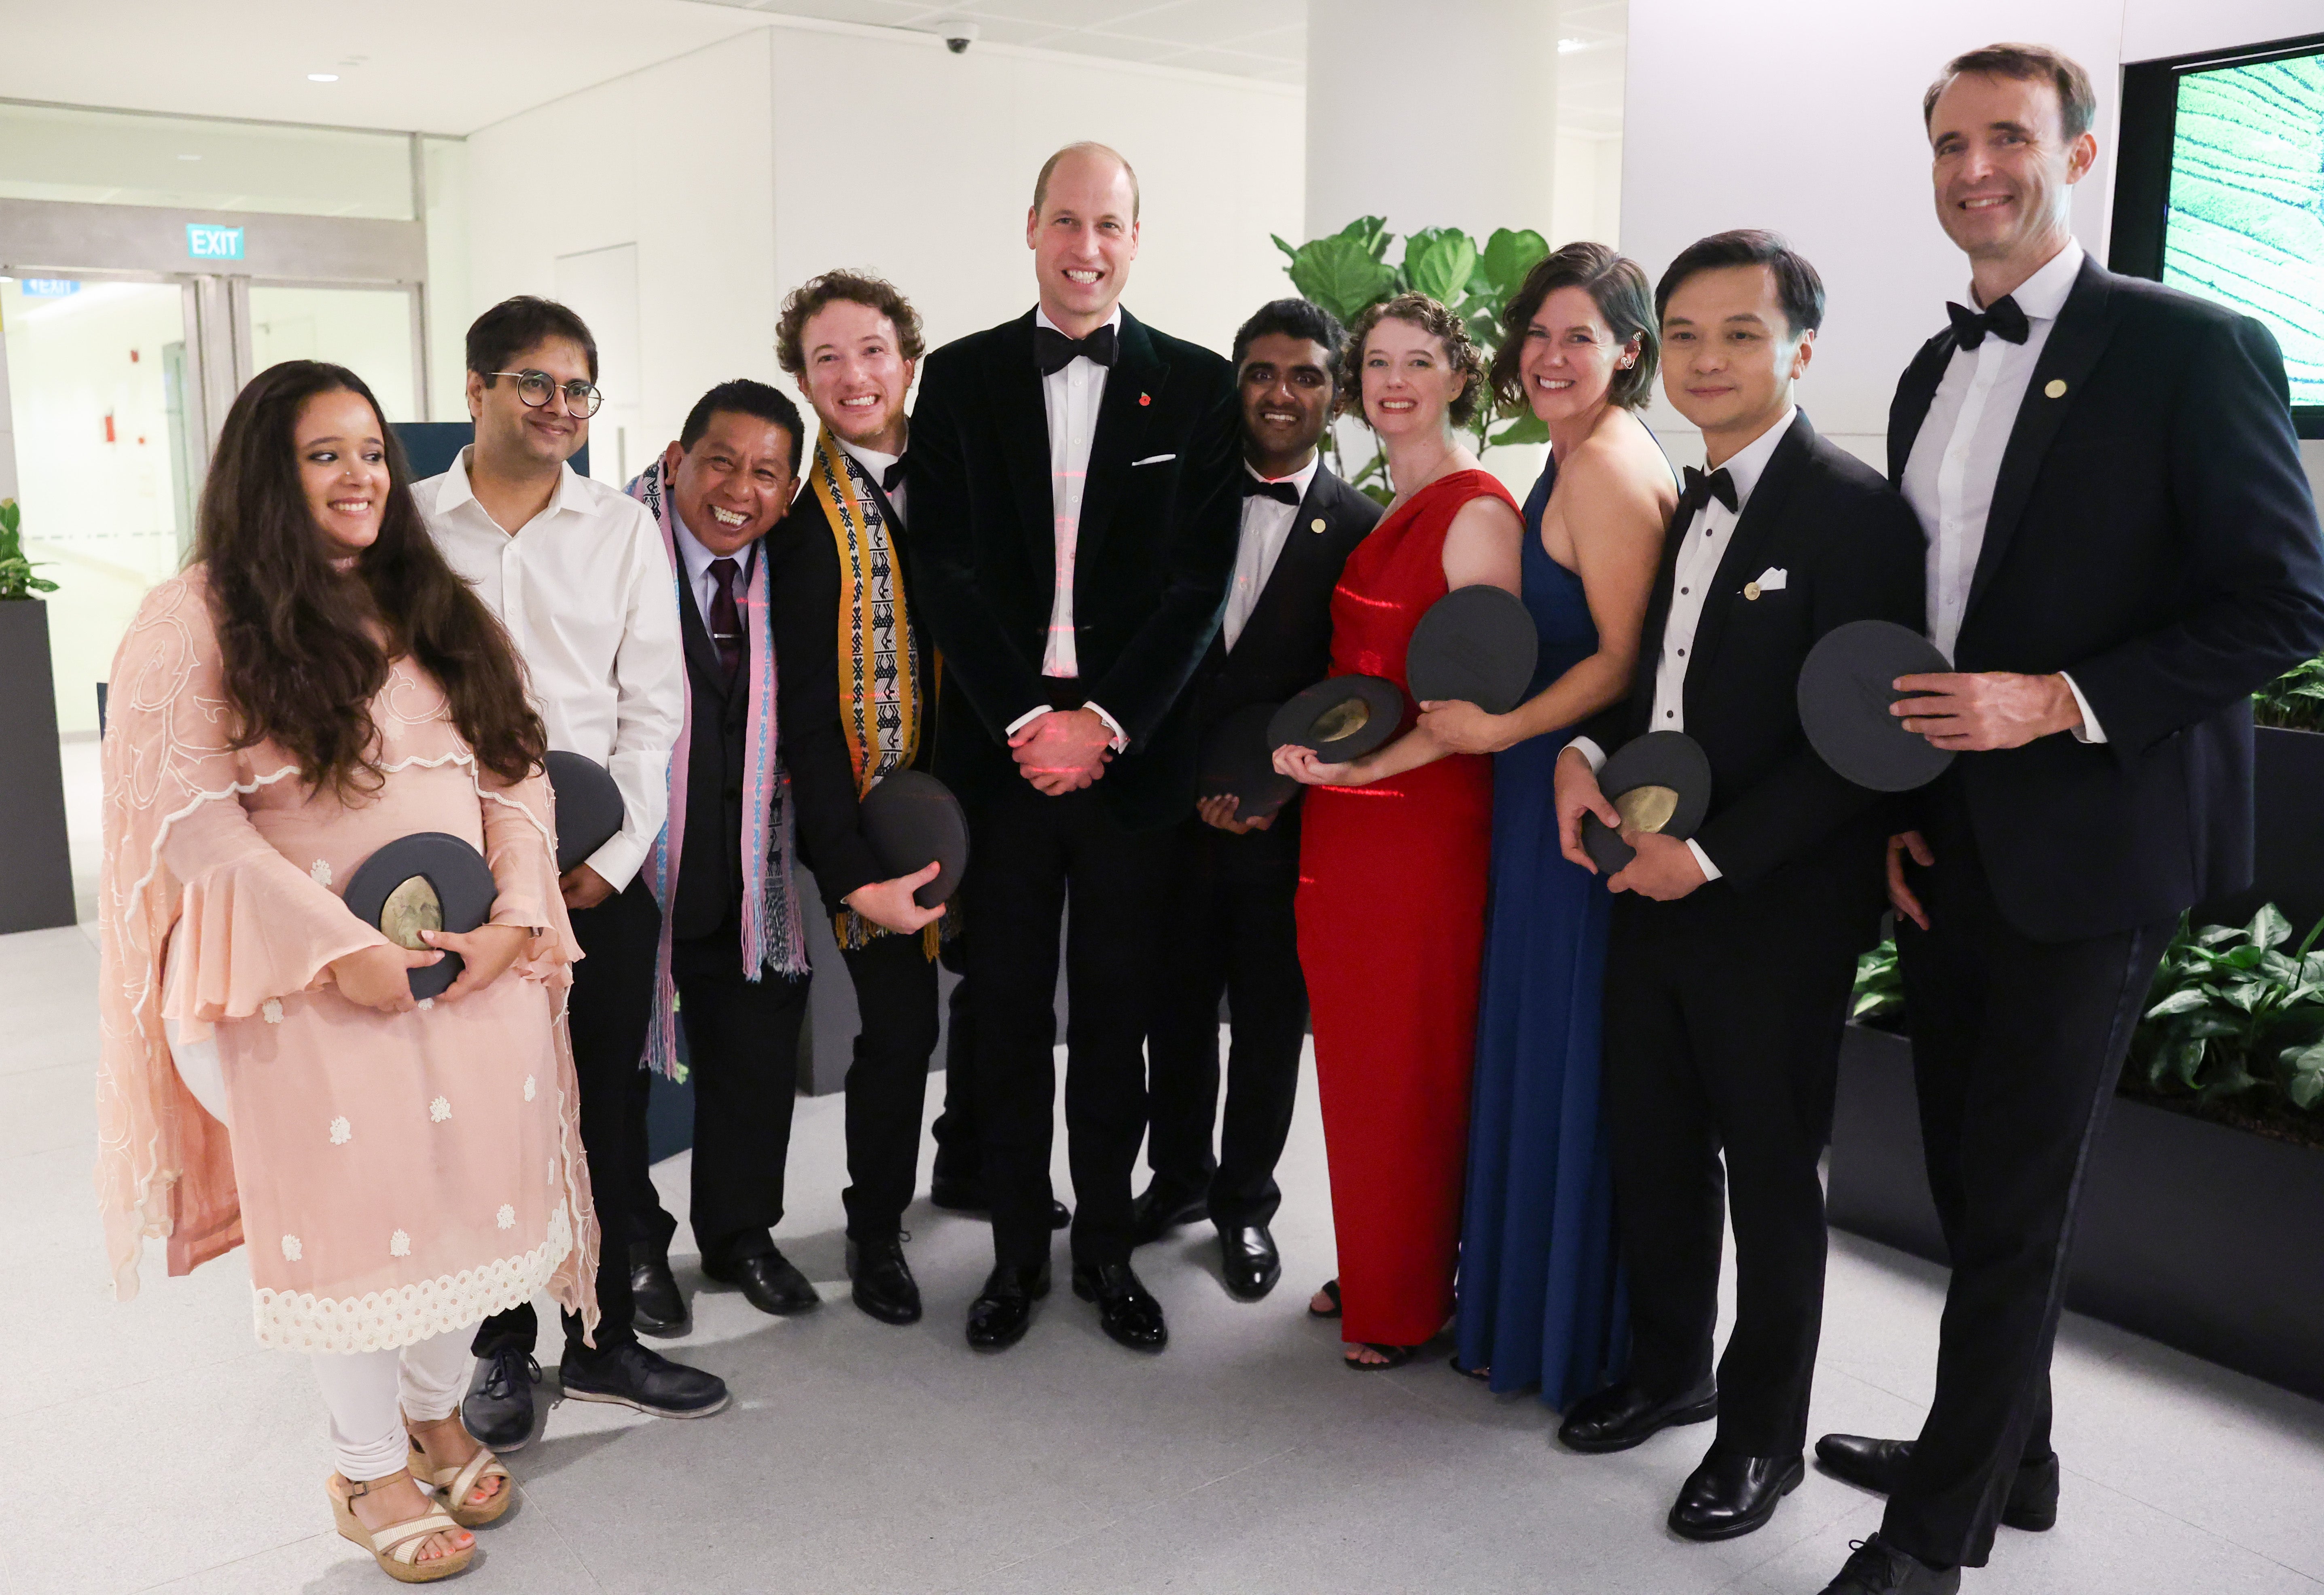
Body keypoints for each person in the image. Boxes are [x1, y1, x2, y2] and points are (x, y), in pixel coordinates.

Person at [1811, 47, 2324, 1595]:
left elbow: (2279, 600)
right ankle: (2010, 1455)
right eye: (1950, 143)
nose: (1976, 167)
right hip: (1951, 839)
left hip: (2096, 847)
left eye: (2009, 138)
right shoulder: (1923, 368)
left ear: (2078, 155)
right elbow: (1925, 614)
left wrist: (2059, 699)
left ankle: (1928, 1541)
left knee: (2019, 1198)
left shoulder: (2194, 345)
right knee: (1970, 1180)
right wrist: (1900, 807)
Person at [95, 360, 595, 1582]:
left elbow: (514, 773)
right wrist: (343, 950)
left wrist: (519, 922)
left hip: (467, 969)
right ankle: (364, 1467)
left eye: (370, 451)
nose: (361, 475)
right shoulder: (195, 614)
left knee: (476, 1202)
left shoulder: (433, 598)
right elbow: (194, 822)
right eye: (326, 454)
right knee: (370, 1223)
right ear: (269, 473)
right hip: (294, 981)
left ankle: (434, 1419)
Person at [1548, 232, 1925, 1545]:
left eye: (1741, 335)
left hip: (1770, 906)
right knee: (1650, 1145)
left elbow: (1866, 745)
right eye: (1688, 335)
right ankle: (1669, 1370)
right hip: (1644, 880)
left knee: (1769, 1178)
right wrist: (1583, 757)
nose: (1708, 360)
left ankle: (1761, 1441)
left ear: (1801, 350)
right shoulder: (1689, 489)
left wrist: (1704, 855)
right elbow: (1661, 678)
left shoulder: (1857, 513)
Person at [910, 142, 1241, 1354]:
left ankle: (1103, 1248)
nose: (1085, 246)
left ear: (1136, 239)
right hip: (1001, 753)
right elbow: (941, 567)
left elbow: (1197, 586)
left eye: (1108, 224)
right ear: (1032, 227)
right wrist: (1025, 722)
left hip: (1127, 756)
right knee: (1000, 1016)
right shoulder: (959, 378)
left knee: (1114, 1015)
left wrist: (1100, 725)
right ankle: (1010, 1257)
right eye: (1065, 220)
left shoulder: (1195, 388)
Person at [416, 296, 728, 1448]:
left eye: (579, 389)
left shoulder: (621, 529)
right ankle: (500, 1345)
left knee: (604, 1101)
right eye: (533, 384)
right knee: (487, 1113)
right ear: (476, 389)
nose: (559, 408)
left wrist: (612, 852)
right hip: (454, 872)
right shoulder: (410, 530)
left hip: (599, 868)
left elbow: (655, 709)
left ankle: (601, 1340)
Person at [1426, 243, 1674, 1405]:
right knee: (1534, 1036)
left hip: (1573, 796)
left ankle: (1574, 1334)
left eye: (1581, 337)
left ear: (1630, 353)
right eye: (1536, 334)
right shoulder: (1568, 456)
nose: (1551, 357)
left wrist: (1502, 728)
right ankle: (1522, 1312)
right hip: (1540, 781)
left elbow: (1626, 664)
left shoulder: (1610, 469)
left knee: (1568, 1048)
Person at [1272, 292, 1524, 1369]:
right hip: (1349, 818)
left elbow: (1483, 705)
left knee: (1411, 1062)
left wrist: (1376, 764)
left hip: (1420, 825)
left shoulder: (1476, 510)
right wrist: (1310, 753)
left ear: (1460, 375)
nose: (1393, 383)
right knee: (1363, 1063)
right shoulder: (1389, 501)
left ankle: (1406, 1301)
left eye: (1418, 361)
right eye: (1376, 362)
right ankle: (1385, 1257)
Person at [1131, 297, 1381, 1301]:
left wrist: (1276, 790)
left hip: (1289, 830)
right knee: (1174, 1012)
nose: (1282, 393)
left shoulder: (1363, 529)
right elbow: (1139, 656)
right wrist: (1188, 778)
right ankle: (1178, 1178)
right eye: (1262, 372)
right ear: (1234, 381)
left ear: (1335, 393)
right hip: (1172, 816)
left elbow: (1359, 689)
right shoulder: (1170, 501)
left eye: (1307, 375)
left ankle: (1245, 1204)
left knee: (1271, 1022)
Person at [765, 275, 958, 1326]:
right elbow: (801, 721)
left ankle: (978, 1165)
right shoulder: (801, 531)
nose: (853, 376)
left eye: (873, 351)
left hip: (980, 801)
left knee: (999, 1000)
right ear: (802, 379)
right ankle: (875, 1225)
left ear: (908, 361)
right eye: (827, 358)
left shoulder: (965, 479)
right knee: (897, 1030)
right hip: (879, 826)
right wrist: (853, 871)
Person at [619, 379, 825, 1336]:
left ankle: (742, 1234)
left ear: (788, 491)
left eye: (766, 473)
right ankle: (631, 1248)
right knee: (611, 1074)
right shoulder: (612, 553)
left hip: (752, 875)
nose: (739, 489)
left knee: (753, 1058)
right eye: (720, 462)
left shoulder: (799, 568)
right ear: (675, 460)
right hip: (628, 870)